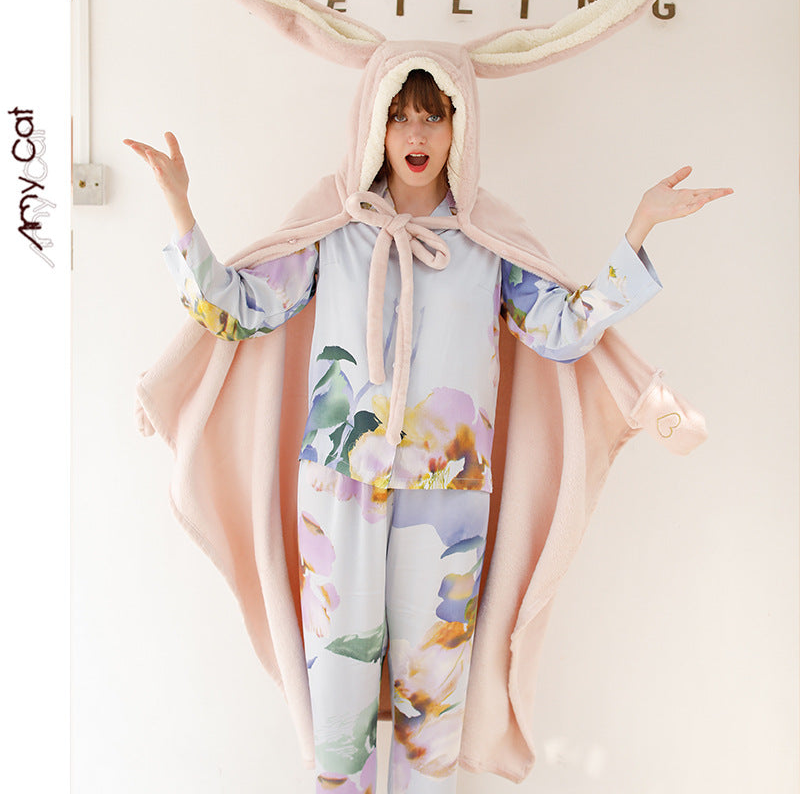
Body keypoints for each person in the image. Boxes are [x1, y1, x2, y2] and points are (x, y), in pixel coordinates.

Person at [126, 68, 730, 794]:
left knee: (431, 709)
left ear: (457, 126)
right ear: (373, 126)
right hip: (338, 487)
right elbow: (238, 311)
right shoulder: (333, 225)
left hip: (449, 495)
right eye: (399, 116)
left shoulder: (489, 238)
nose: (416, 134)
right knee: (340, 711)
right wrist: (179, 206)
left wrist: (639, 227)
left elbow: (562, 330)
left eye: (433, 116)